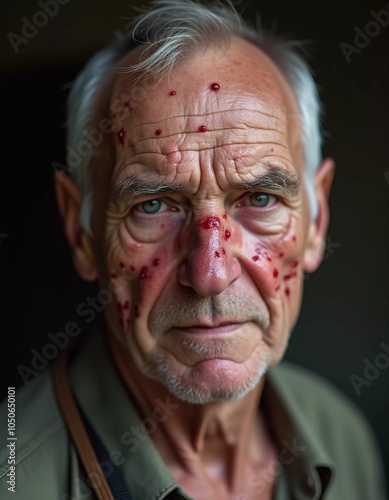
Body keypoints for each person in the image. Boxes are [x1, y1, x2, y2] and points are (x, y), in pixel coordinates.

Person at [0, 1, 387, 498]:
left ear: (315, 221)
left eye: (261, 199)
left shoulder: (342, 435)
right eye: (154, 204)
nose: (210, 273)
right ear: (81, 230)